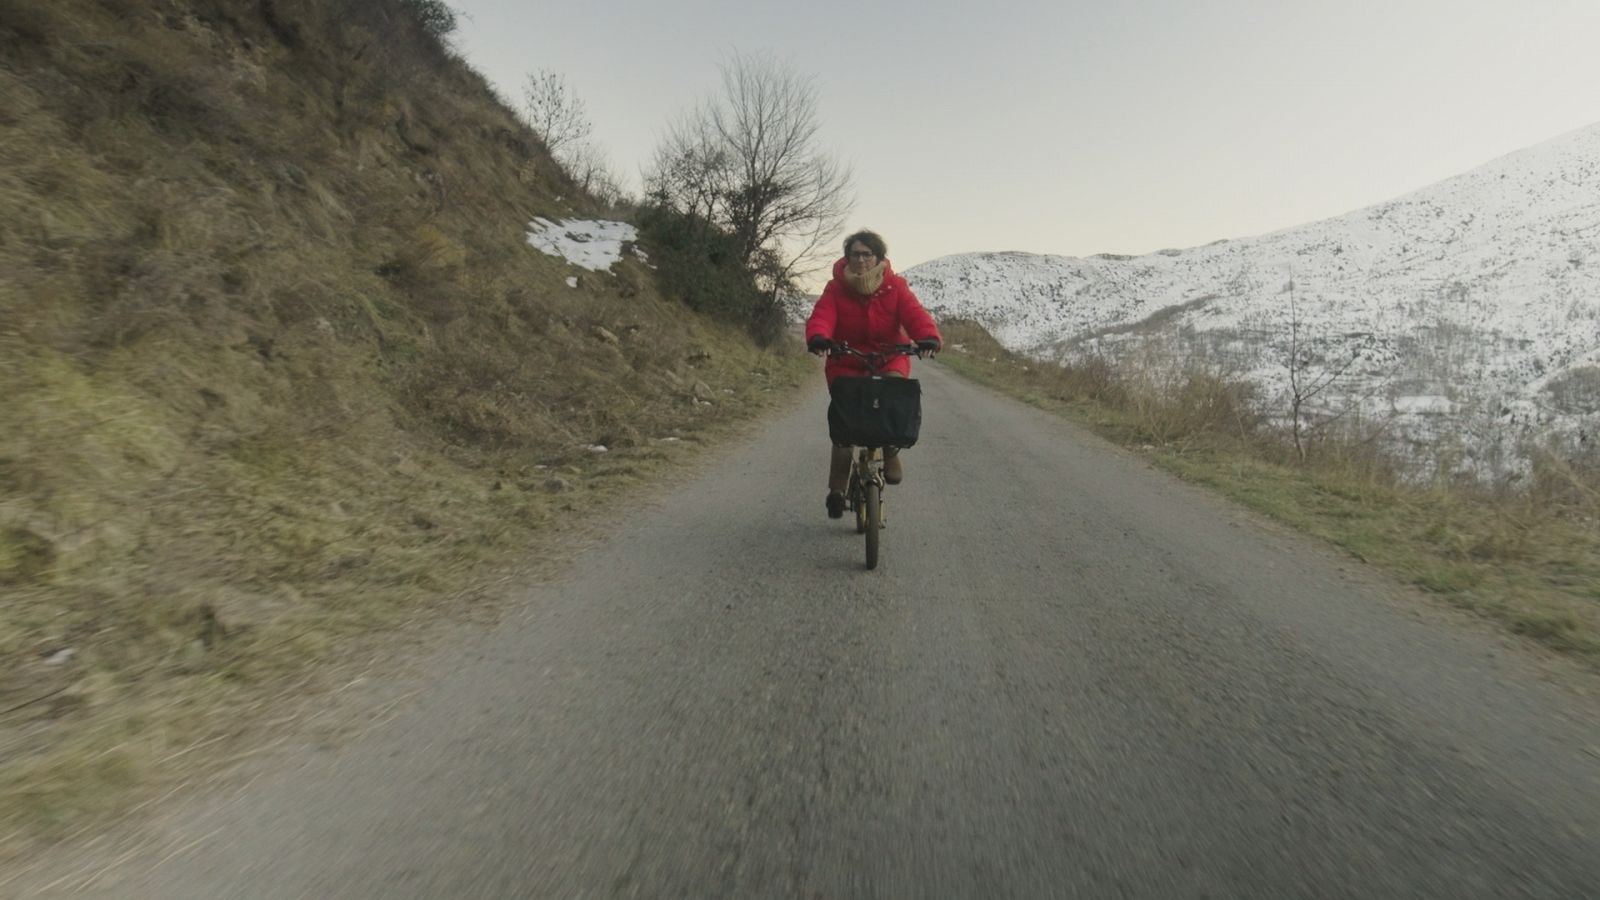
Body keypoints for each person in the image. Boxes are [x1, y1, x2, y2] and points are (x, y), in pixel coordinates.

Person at [804, 229, 942, 519]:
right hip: (846, 359)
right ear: (847, 258)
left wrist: (927, 337)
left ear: (879, 257)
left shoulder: (896, 287)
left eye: (868, 254)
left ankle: (891, 454)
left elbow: (915, 315)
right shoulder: (836, 288)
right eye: (855, 254)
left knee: (893, 394)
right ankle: (837, 491)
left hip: (888, 358)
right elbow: (823, 316)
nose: (861, 259)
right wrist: (818, 337)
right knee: (846, 426)